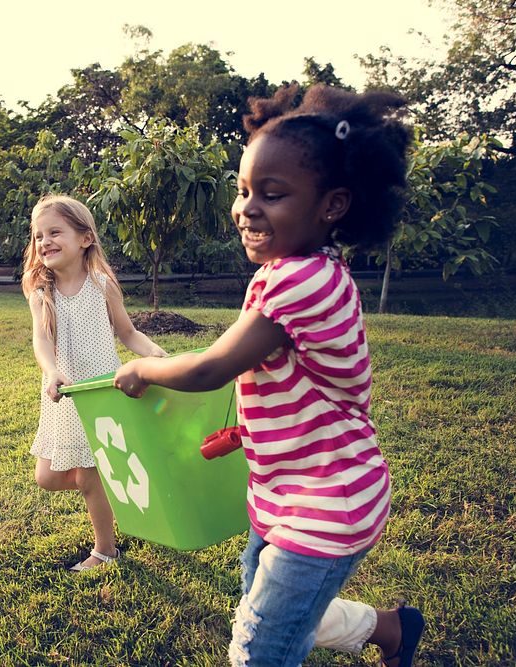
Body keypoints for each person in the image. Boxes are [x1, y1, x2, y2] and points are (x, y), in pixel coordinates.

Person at [112, 84, 426, 666]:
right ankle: (392, 630)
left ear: (331, 205)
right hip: (283, 487)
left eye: (272, 194)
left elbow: (212, 367)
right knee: (268, 612)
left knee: (259, 648)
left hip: (328, 500)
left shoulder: (300, 281)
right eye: (244, 190)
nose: (248, 208)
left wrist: (144, 368)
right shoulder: (304, 271)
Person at [23, 193, 167, 571]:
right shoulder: (41, 289)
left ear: (85, 238)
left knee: (87, 476)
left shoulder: (101, 284)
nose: (45, 242)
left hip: (102, 393)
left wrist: (155, 354)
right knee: (48, 476)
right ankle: (108, 484)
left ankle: (104, 551)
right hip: (63, 393)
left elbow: (129, 332)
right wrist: (52, 372)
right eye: (39, 236)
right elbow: (41, 340)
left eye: (55, 232)